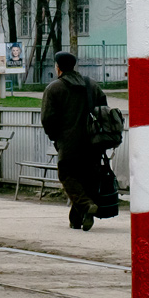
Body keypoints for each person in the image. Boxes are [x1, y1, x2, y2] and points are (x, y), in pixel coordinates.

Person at [40, 51, 108, 231]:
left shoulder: (54, 88)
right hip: (94, 142)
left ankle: (86, 206)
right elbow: (104, 112)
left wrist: (56, 139)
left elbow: (48, 119)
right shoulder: (92, 86)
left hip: (69, 143)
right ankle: (77, 220)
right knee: (86, 179)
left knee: (67, 176)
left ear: (58, 67)